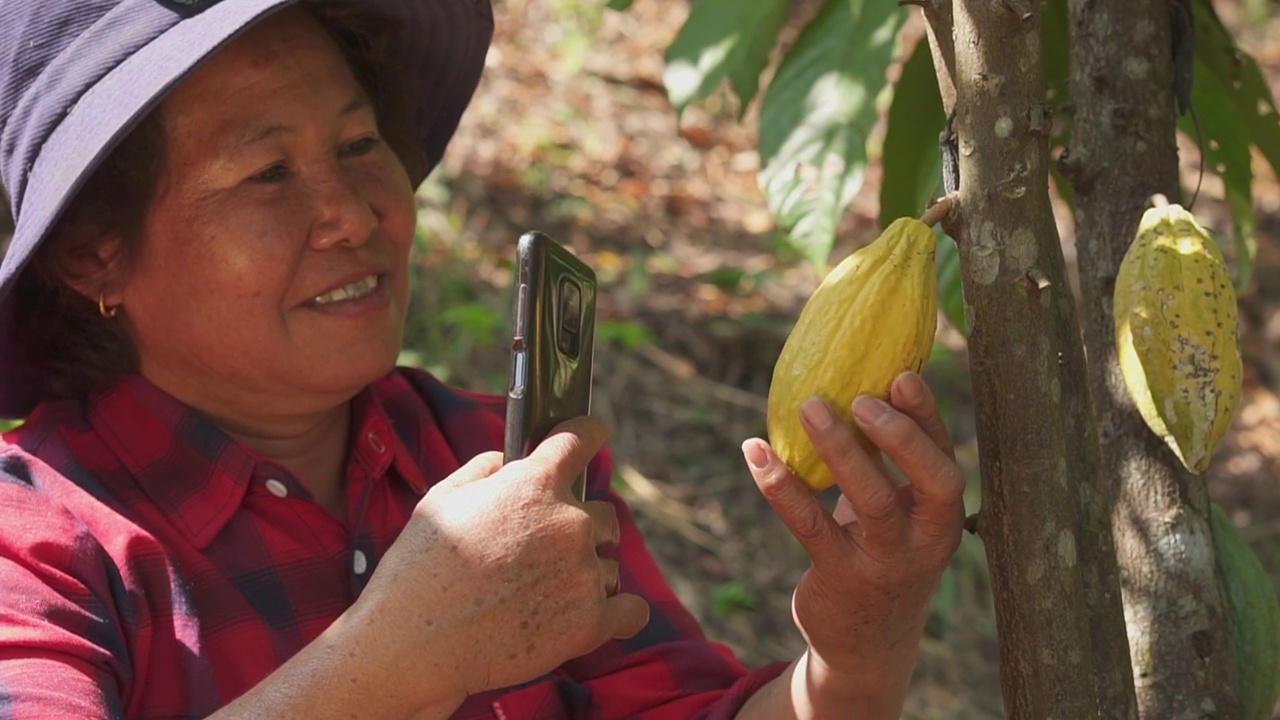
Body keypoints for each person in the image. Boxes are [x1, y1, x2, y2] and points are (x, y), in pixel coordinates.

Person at [0, 1, 967, 718]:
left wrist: (856, 651)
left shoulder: (490, 457)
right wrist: (389, 655)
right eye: (268, 173)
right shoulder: (35, 545)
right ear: (96, 251)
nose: (355, 214)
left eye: (358, 143)